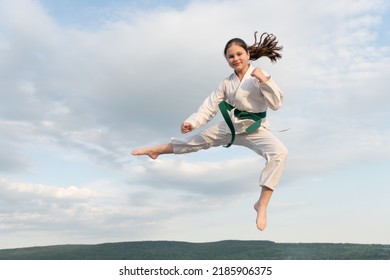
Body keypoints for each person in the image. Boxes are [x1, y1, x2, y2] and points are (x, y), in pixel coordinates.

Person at [132, 32, 288, 231]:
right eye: (230, 56)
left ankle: (262, 204)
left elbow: (276, 104)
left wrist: (264, 81)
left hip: (255, 128)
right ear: (227, 60)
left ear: (248, 54)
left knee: (280, 153)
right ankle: (156, 150)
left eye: (239, 54)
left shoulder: (258, 75)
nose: (235, 59)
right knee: (195, 141)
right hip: (232, 126)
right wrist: (192, 122)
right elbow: (209, 106)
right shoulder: (226, 83)